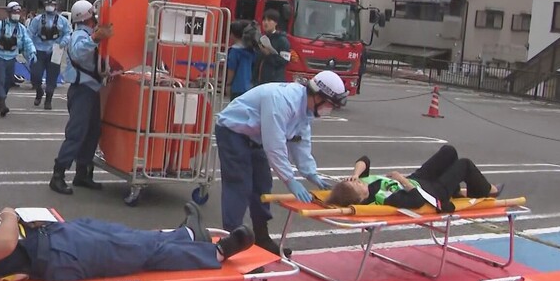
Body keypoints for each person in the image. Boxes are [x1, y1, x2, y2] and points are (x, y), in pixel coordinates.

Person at [0, 202, 255, 281]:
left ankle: (185, 234)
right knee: (134, 252)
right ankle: (214, 253)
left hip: (51, 237)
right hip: (52, 254)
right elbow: (2, 247)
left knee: (124, 236)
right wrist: (9, 216)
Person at [215, 70, 347, 255]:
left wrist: (310, 173)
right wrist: (290, 180)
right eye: (329, 104)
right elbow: (275, 145)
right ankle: (231, 242)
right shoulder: (283, 101)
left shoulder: (305, 110)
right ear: (317, 96)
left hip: (256, 137)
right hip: (233, 131)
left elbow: (300, 142)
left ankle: (262, 237)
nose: (329, 109)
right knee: (239, 185)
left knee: (262, 185)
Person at [49, 0, 113, 195]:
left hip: (91, 90)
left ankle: (82, 173)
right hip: (82, 90)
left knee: (93, 131)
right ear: (88, 16)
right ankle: (58, 175)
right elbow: (77, 51)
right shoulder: (79, 35)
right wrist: (95, 38)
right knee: (77, 133)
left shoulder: (85, 34)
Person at [325, 145, 503, 211]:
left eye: (355, 182)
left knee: (449, 152)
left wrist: (355, 175)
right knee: (464, 164)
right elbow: (417, 200)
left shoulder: (364, 184)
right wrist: (401, 180)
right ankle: (488, 191)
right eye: (357, 185)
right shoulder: (383, 198)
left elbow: (364, 159)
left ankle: (456, 191)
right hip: (431, 193)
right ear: (361, 198)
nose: (358, 183)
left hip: (418, 179)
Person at [0, 1, 36, 117]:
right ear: (8, 13)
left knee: (8, 81)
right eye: (14, 12)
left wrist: (32, 53)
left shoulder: (22, 29)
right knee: (1, 80)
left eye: (19, 12)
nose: (16, 14)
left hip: (12, 58)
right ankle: (2, 104)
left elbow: (27, 42)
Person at [28, 0, 72, 110]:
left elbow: (68, 33)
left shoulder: (62, 20)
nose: (49, 7)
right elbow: (30, 34)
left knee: (52, 77)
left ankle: (48, 100)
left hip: (56, 50)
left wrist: (64, 42)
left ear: (56, 6)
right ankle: (39, 91)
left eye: (52, 4)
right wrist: (29, 48)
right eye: (47, 4)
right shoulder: (37, 20)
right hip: (39, 50)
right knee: (35, 74)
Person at [251, 9, 290, 86]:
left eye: (269, 20)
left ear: (276, 23)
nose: (265, 23)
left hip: (274, 82)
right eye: (264, 20)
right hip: (259, 82)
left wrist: (269, 55)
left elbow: (284, 61)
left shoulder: (282, 40)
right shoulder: (262, 38)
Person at [224, 21, 256, 100]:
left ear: (232, 34)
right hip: (250, 86)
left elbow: (231, 69)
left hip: (237, 87)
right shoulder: (251, 50)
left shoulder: (234, 51)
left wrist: (228, 84)